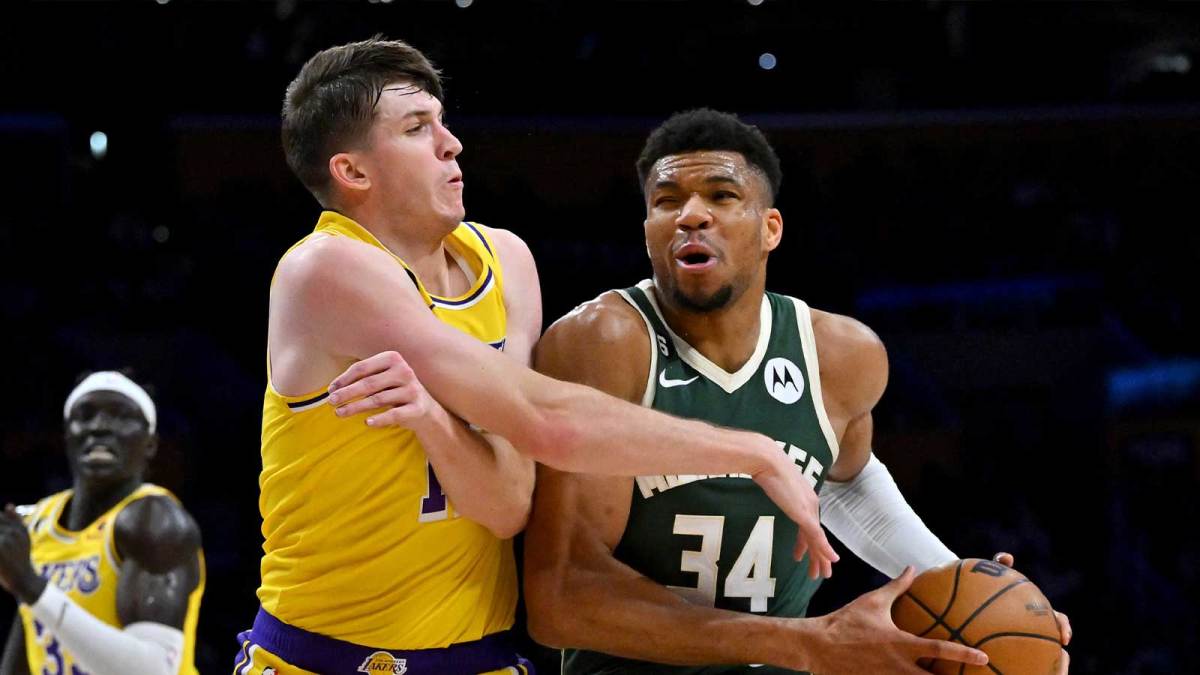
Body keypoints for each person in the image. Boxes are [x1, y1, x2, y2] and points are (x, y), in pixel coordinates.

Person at [237, 38, 835, 675]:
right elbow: (543, 420)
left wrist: (434, 421)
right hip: (325, 658)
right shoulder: (325, 268)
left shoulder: (507, 263)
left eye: (443, 121)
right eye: (417, 128)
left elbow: (508, 504)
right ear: (352, 172)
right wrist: (753, 450)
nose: (450, 143)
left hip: (482, 658)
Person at [521, 109, 1072, 674]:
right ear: (646, 231)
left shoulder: (841, 355)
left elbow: (845, 486)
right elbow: (563, 596)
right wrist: (803, 641)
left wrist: (970, 594)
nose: (690, 215)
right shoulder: (604, 343)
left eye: (721, 195)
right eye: (666, 201)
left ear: (770, 229)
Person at [0, 371, 205, 675]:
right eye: (85, 415)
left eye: (122, 416)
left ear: (150, 444)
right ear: (66, 435)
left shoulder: (157, 522)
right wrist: (27, 588)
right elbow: (32, 640)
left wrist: (31, 585)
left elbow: (151, 670)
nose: (99, 427)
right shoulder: (37, 522)